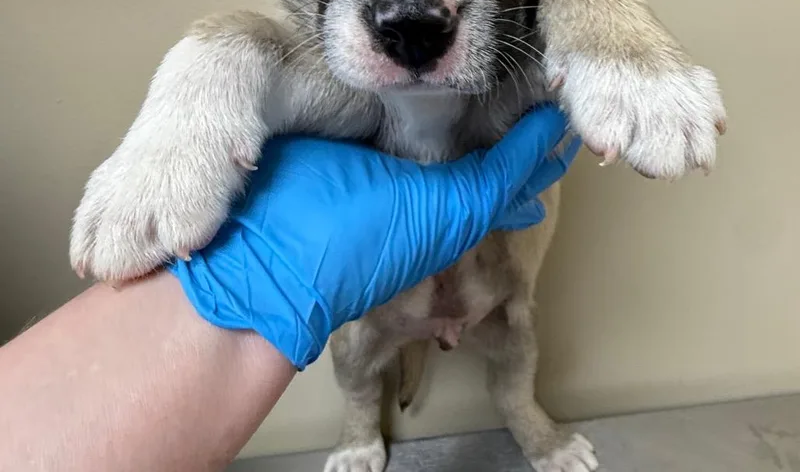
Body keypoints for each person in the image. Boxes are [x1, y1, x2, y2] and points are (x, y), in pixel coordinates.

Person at [0, 105, 579, 472]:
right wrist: (256, 270)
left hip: (493, 286)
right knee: (355, 357)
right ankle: (358, 433)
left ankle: (530, 423)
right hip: (386, 301)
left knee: (517, 344)